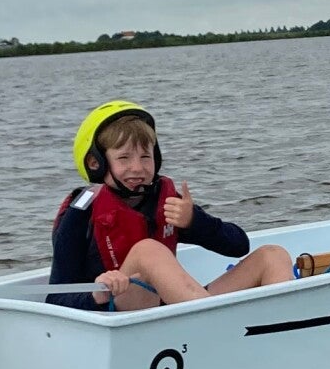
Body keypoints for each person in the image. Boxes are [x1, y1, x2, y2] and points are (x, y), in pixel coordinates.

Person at [48, 101, 293, 311]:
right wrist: (97, 294)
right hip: (120, 316)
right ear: (96, 163)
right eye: (124, 158)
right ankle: (216, 322)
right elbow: (55, 300)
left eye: (145, 157)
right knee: (147, 250)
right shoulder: (80, 215)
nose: (137, 168)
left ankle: (277, 329)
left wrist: (194, 221)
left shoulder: (167, 202)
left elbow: (239, 245)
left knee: (271, 255)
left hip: (176, 311)